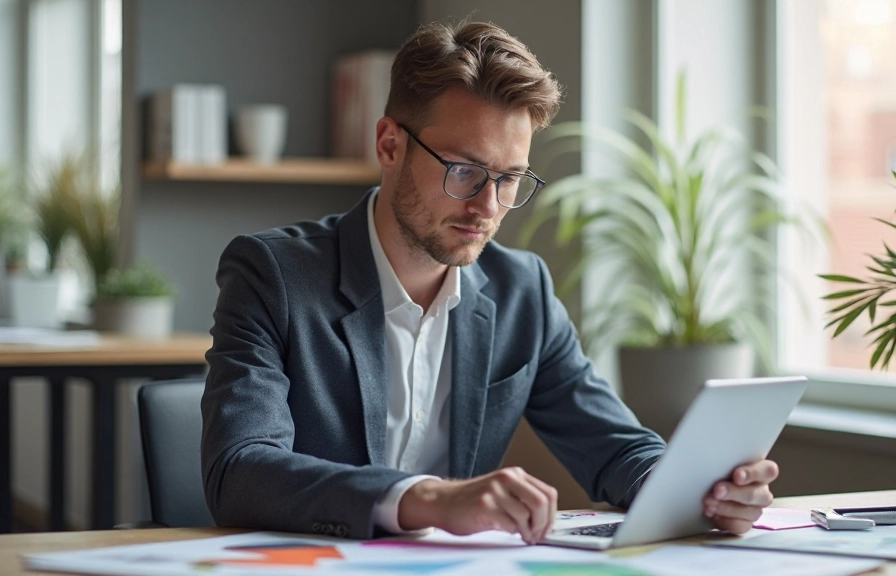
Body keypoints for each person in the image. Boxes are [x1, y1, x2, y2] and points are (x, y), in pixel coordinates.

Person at [201, 20, 779, 544]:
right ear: (389, 145)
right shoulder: (272, 274)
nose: (488, 205)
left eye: (509, 179)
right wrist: (428, 498)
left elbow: (613, 444)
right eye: (464, 171)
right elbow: (240, 469)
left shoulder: (521, 288)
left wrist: (700, 489)